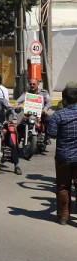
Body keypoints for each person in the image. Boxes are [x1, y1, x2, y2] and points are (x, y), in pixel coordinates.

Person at [46, 82, 77, 225]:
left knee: (63, 187)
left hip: (63, 157)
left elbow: (51, 134)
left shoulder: (58, 115)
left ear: (64, 100)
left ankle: (64, 217)